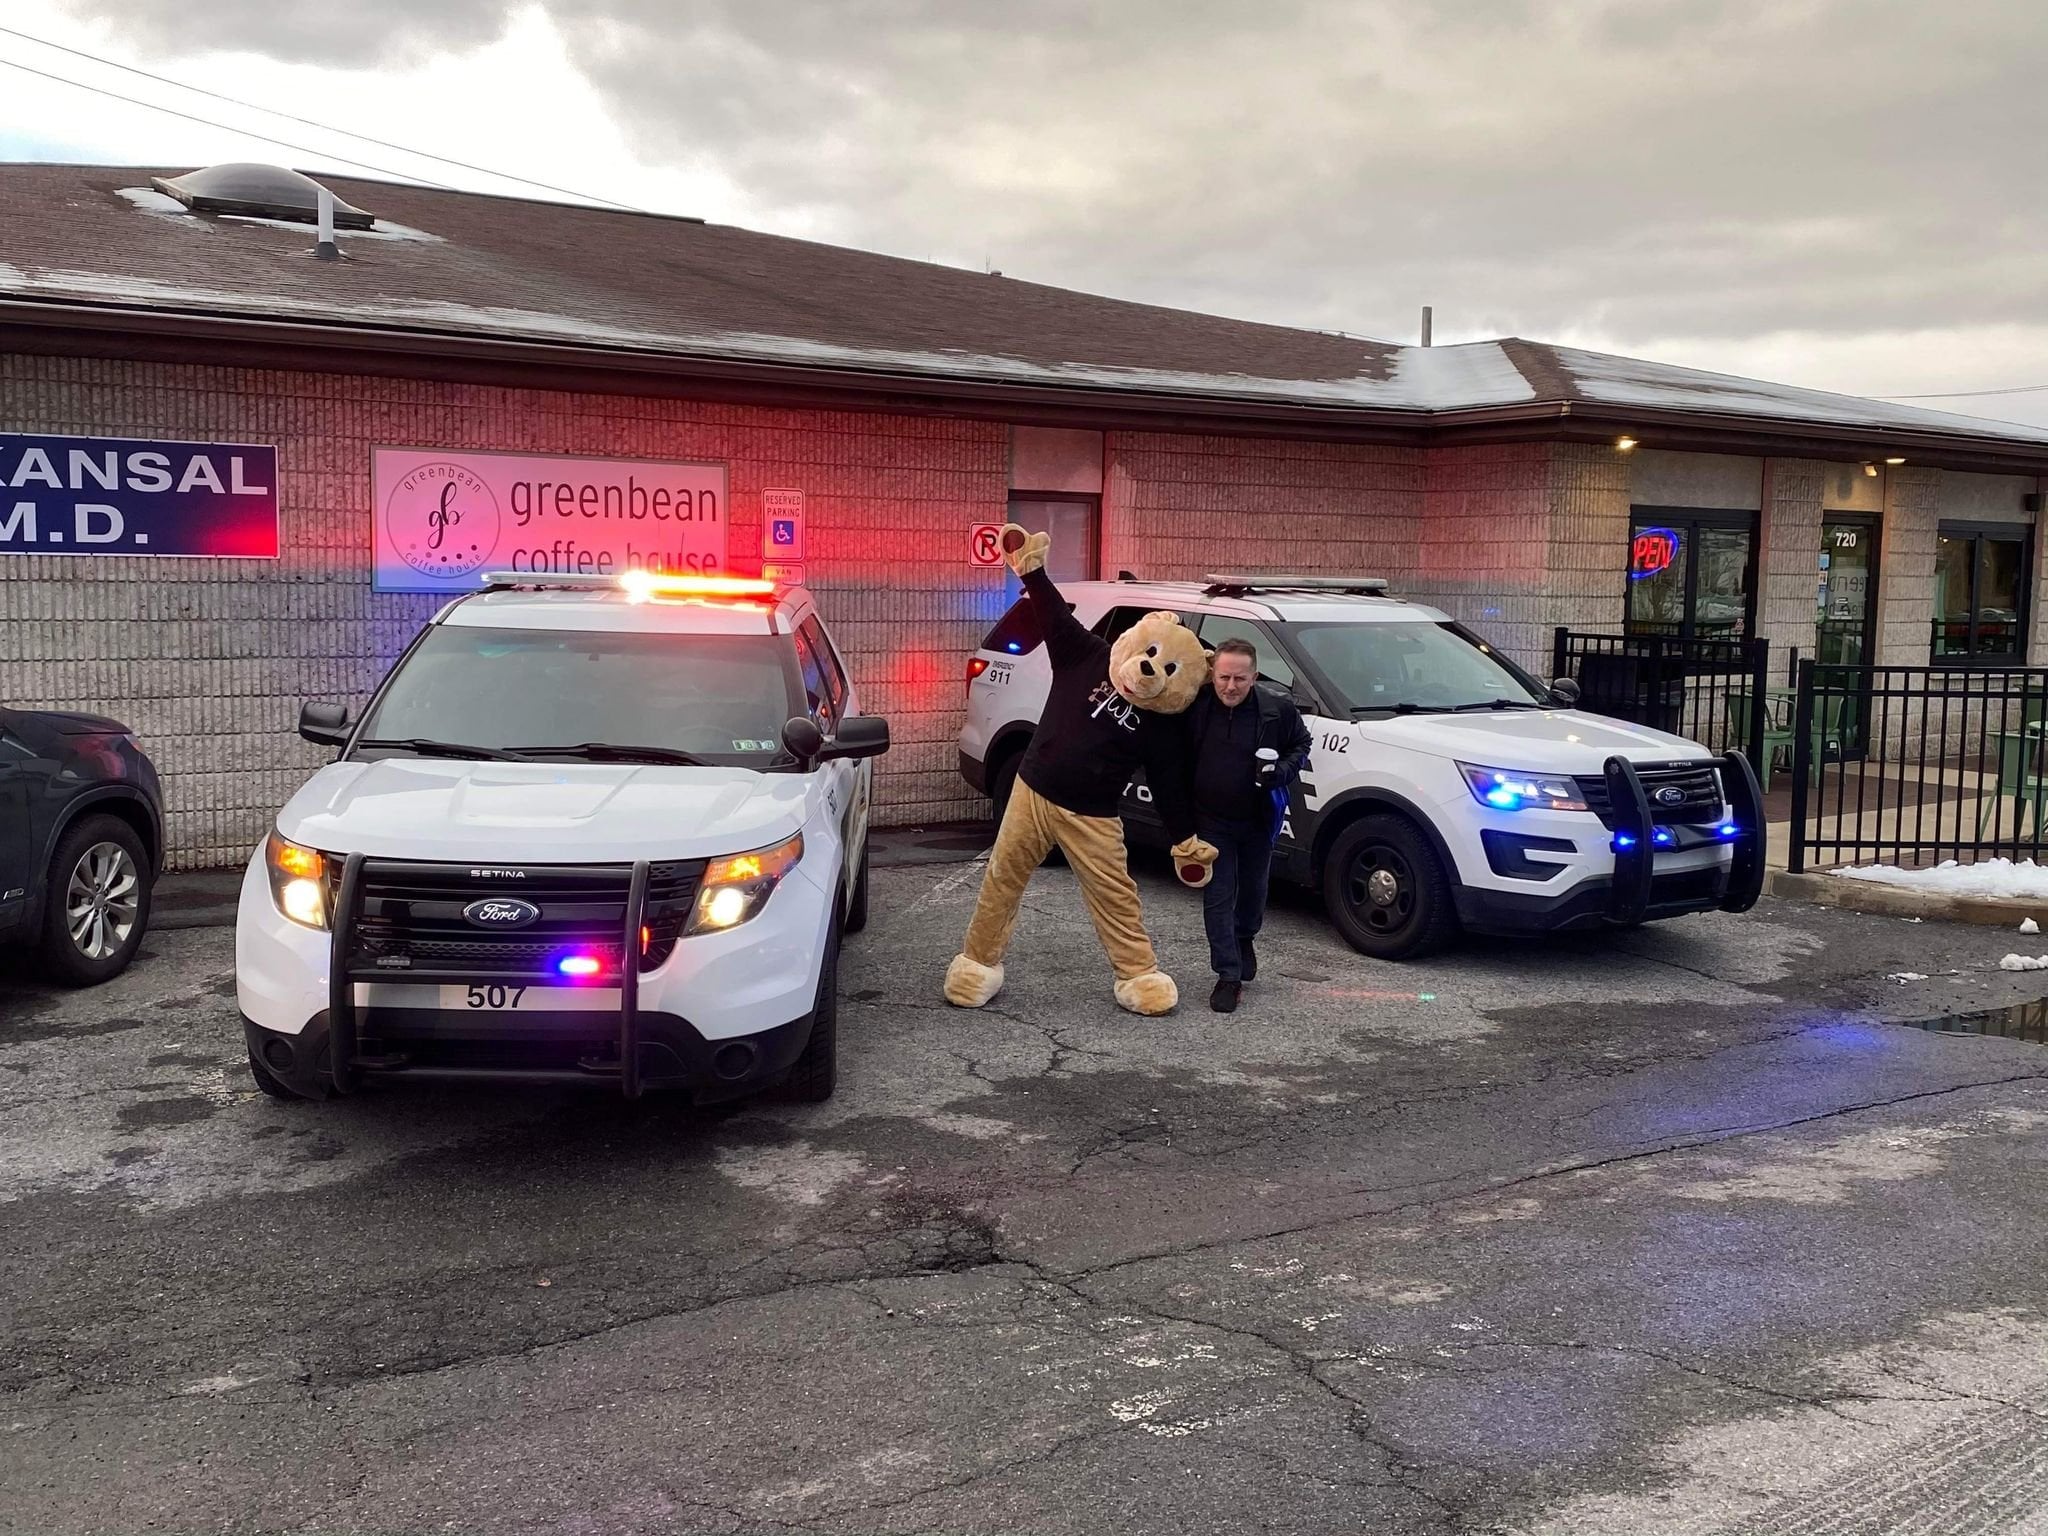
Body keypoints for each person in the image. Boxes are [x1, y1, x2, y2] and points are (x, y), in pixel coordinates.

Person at [1184, 637, 1312, 1012]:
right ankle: (1227, 976)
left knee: (1254, 891)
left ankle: (1245, 938)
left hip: (1259, 818)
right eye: (1224, 678)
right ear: (1213, 673)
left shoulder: (1276, 709)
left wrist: (1282, 772)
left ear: (1254, 677)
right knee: (1218, 896)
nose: (1230, 687)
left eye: (1240, 679)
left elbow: (1301, 745)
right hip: (1211, 819)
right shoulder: (1197, 707)